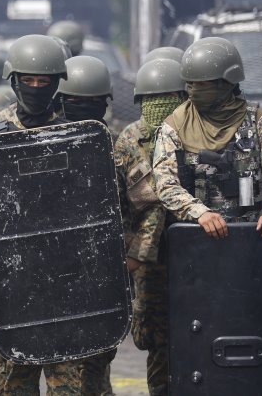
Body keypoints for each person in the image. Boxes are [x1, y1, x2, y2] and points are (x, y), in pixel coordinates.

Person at [0, 35, 84, 396]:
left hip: (67, 267)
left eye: (42, 80)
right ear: (13, 81)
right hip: (17, 272)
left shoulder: (75, 128)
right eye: (26, 80)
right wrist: (3, 205)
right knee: (15, 378)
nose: (34, 87)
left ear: (56, 81)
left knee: (67, 376)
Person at [150, 38, 262, 239]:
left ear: (226, 83)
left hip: (255, 235)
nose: (195, 90)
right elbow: (165, 185)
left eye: (203, 84)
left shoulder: (261, 121)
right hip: (198, 237)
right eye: (191, 84)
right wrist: (200, 213)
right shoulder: (174, 127)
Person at [114, 58, 185, 396]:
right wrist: (132, 248)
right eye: (153, 99)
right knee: (155, 336)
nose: (161, 106)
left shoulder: (199, 134)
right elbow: (119, 204)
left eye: (170, 97)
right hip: (150, 259)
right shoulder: (128, 140)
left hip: (197, 250)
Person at [56, 56, 121, 396]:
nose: (84, 109)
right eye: (75, 103)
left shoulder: (113, 144)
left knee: (98, 357)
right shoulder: (44, 140)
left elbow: (137, 202)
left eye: (92, 104)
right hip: (53, 263)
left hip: (98, 262)